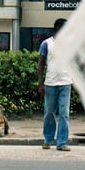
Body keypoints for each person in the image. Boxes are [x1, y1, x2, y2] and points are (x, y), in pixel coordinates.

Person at [37, 18, 71, 152]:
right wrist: (40, 84)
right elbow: (41, 64)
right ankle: (48, 139)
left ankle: (62, 143)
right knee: (49, 112)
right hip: (50, 83)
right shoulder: (46, 44)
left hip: (65, 82)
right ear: (57, 28)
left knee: (64, 113)